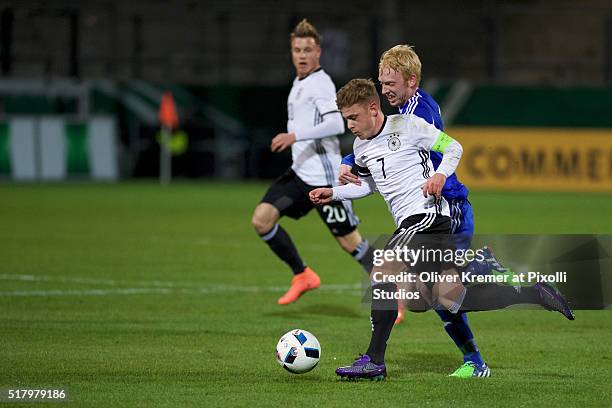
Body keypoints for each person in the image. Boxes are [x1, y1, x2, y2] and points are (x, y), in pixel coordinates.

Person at [310, 78, 574, 381]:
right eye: (346, 119)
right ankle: (533, 293)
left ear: (373, 108)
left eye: (353, 117)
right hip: (414, 225)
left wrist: (439, 175)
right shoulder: (361, 146)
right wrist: (335, 192)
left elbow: (453, 147)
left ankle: (374, 360)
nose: (350, 125)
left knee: (382, 268)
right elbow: (371, 185)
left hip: (426, 219)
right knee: (440, 299)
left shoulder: (408, 125)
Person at [337, 44, 505, 377]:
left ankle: (478, 281)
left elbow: (435, 147)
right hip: (432, 207)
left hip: (445, 206)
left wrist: (353, 162)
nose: (385, 91)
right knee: (426, 297)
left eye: (391, 84)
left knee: (435, 291)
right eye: (382, 84)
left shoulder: (416, 113)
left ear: (412, 81)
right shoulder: (406, 110)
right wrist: (351, 164)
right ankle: (475, 357)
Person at [251, 19, 371, 305]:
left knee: (350, 242)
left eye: (307, 49)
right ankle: (302, 275)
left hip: (325, 179)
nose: (302, 55)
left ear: (318, 52)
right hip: (301, 175)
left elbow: (335, 124)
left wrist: (295, 136)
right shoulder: (299, 83)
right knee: (262, 220)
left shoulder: (320, 83)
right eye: (296, 49)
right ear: (291, 53)